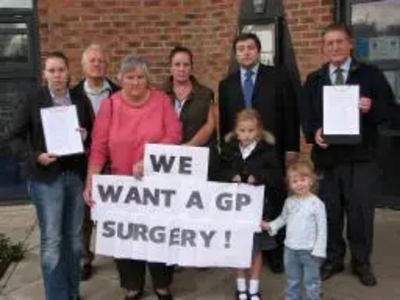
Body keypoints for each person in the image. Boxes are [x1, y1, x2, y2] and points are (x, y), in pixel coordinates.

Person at [301, 23, 395, 286]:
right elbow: (306, 115)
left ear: (350, 44)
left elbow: (390, 110)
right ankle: (333, 259)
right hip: (328, 160)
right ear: (323, 47)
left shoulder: (370, 75)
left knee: (360, 214)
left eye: (339, 41)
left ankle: (362, 262)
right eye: (329, 43)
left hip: (361, 158)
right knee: (330, 213)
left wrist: (371, 107)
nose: (335, 47)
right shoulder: (314, 79)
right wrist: (314, 133)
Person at [83, 55, 182, 300]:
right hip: (120, 185)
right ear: (120, 79)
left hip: (157, 182)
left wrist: (149, 160)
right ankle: (133, 285)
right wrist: (91, 181)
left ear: (147, 79)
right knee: (126, 238)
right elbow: (99, 146)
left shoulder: (161, 101)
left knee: (158, 234)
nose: (136, 82)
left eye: (140, 77)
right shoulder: (111, 105)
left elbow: (175, 134)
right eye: (130, 77)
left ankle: (162, 284)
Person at [7, 51, 92, 300]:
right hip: (46, 179)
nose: (57, 75)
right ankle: (57, 296)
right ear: (44, 74)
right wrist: (36, 156)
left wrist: (86, 137)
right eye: (51, 70)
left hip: (74, 176)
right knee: (53, 241)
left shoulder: (79, 99)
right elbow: (12, 137)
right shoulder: (34, 99)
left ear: (68, 73)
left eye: (61, 70)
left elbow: (93, 135)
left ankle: (72, 292)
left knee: (75, 240)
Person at [218, 32, 300, 273]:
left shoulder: (278, 77)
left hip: (271, 151)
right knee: (244, 202)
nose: (246, 52)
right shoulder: (226, 84)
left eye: (250, 48)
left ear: (258, 51)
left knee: (273, 199)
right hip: (240, 152)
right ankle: (245, 249)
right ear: (235, 53)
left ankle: (275, 252)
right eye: (241, 48)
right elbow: (225, 123)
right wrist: (228, 153)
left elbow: (290, 114)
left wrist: (292, 149)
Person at [218, 109, 283, 300]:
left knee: (256, 249)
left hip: (259, 209)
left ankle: (254, 288)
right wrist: (231, 176)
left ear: (259, 131)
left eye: (251, 130)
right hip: (234, 209)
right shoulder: (229, 150)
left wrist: (259, 177)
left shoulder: (268, 151)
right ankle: (241, 287)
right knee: (238, 248)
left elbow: (276, 176)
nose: (247, 135)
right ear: (236, 132)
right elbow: (218, 172)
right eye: (243, 130)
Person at [71, 43, 119, 281]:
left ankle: (121, 255)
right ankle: (84, 258)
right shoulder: (72, 95)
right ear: (83, 66)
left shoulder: (119, 92)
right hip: (83, 162)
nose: (97, 64)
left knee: (115, 211)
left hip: (115, 162)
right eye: (92, 61)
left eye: (101, 60)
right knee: (85, 213)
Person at [263, 161, 326, 300]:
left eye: (303, 179)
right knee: (292, 280)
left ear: (311, 181)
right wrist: (269, 225)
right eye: (295, 181)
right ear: (289, 184)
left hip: (310, 250)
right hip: (290, 249)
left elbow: (322, 229)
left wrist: (319, 249)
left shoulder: (317, 204)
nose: (299, 184)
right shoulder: (289, 202)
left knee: (312, 281)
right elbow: (283, 219)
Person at [163, 46, 215, 148]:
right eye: (177, 65)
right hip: (167, 154)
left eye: (186, 65)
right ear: (170, 68)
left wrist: (188, 147)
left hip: (197, 153)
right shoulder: (160, 95)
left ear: (191, 68)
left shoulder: (205, 94)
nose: (181, 69)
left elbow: (210, 125)